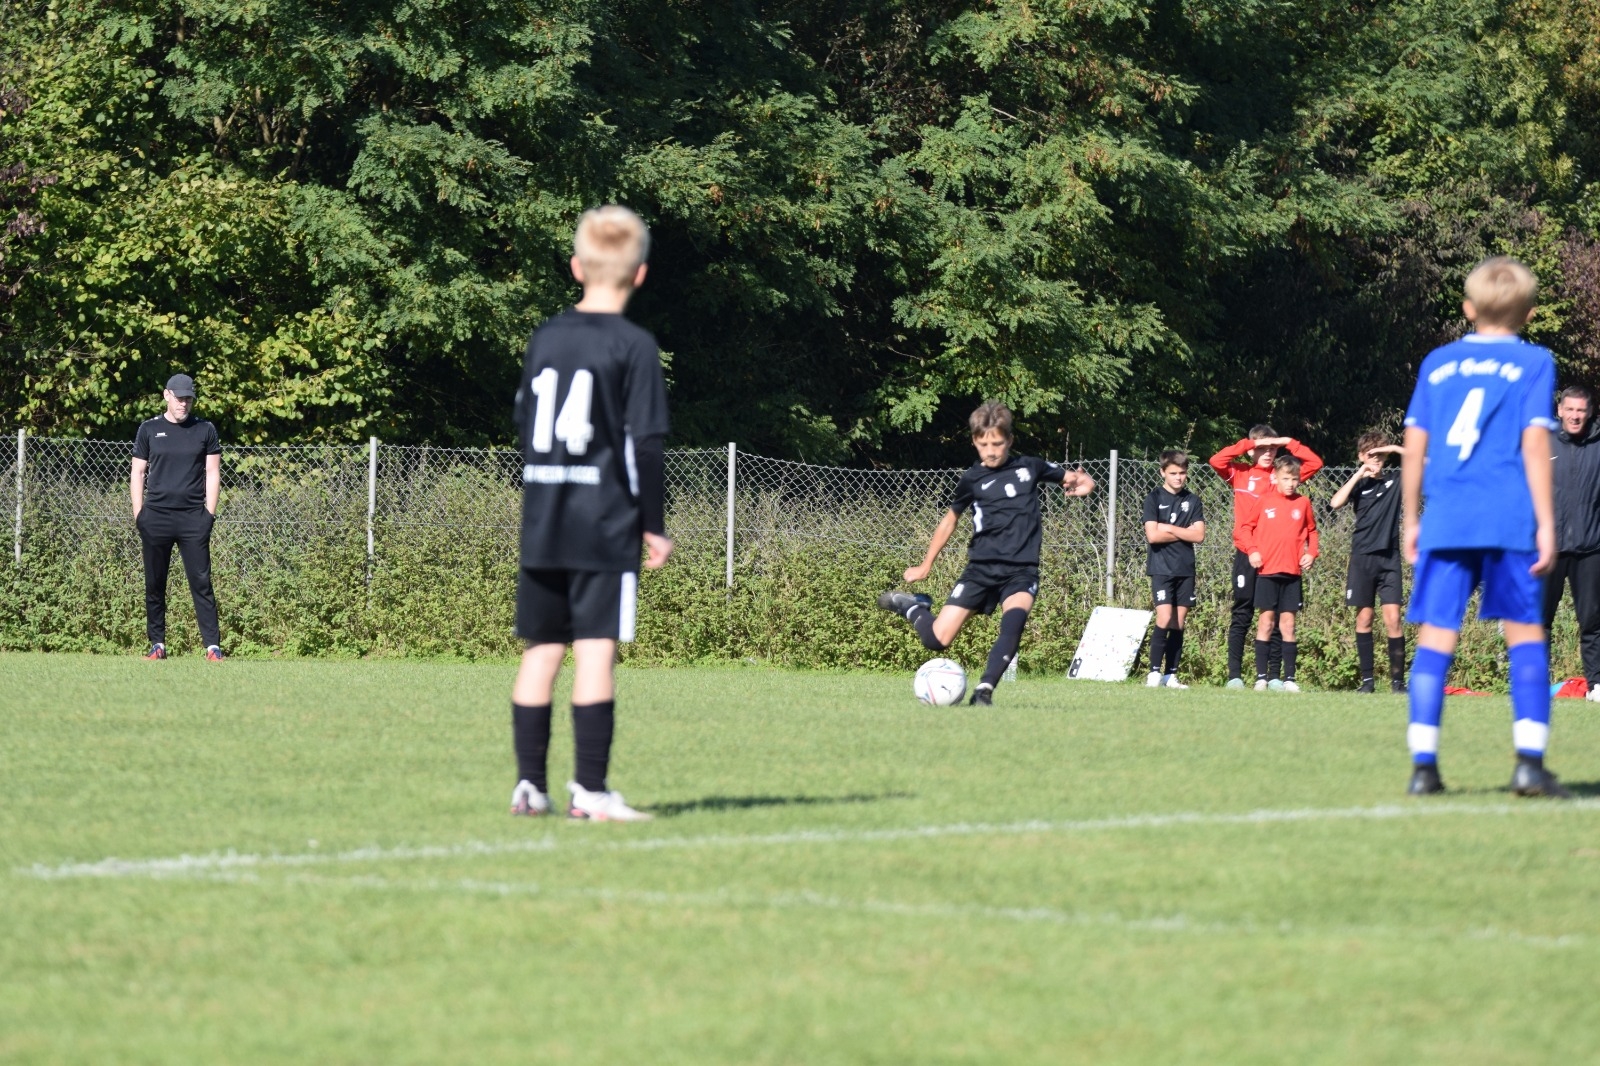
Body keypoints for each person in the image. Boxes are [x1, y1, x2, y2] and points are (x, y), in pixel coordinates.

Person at [507, 205, 672, 822]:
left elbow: (526, 423)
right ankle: (591, 792)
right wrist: (652, 524)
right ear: (641, 274)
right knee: (595, 652)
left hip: (544, 518)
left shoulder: (545, 337)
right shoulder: (634, 345)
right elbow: (645, 444)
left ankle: (529, 787)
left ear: (577, 267)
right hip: (603, 522)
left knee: (540, 652)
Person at [1401, 256, 1567, 797]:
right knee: (1524, 636)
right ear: (1530, 313)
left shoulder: (1438, 362)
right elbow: (1535, 442)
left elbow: (1416, 446)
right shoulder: (1535, 361)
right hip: (1508, 517)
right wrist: (1546, 522)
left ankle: (1424, 769)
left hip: (1447, 517)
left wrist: (1410, 517)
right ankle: (1528, 764)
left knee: (1435, 639)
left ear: (1468, 308)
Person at [877, 402, 1095, 706]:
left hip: (1021, 570)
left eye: (997, 443)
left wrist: (1084, 484)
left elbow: (1077, 479)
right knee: (936, 640)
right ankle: (912, 608)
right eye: (984, 444)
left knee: (1014, 622)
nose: (991, 450)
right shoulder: (972, 479)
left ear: (1009, 441)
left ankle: (984, 691)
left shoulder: (1030, 467)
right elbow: (950, 520)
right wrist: (926, 565)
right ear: (974, 442)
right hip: (980, 569)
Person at [1209, 425, 1323, 688]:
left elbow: (1315, 463)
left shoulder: (1282, 477)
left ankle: (1273, 676)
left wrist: (1287, 440)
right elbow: (1216, 460)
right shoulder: (1240, 472)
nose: (1269, 453)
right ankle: (1235, 675)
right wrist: (1250, 444)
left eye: (1273, 448)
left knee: (1274, 614)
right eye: (1263, 448)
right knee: (1243, 611)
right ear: (1251, 450)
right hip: (1248, 554)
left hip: (1276, 559)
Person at [130, 374, 224, 661]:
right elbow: (137, 473)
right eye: (179, 398)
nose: (184, 403)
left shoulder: (205, 429)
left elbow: (212, 473)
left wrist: (208, 514)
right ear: (166, 395)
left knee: (201, 582)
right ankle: (157, 644)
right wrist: (139, 515)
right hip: (155, 518)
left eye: (188, 398)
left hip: (193, 519)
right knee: (154, 583)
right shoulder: (149, 429)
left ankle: (212, 647)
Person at [1329, 431, 1408, 693]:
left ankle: (1398, 683)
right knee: (1364, 619)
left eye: (1380, 455)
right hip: (1362, 559)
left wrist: (1395, 448)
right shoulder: (1359, 485)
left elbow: (1423, 461)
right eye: (1370, 455)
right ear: (1361, 456)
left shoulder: (1395, 481)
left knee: (1393, 619)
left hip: (1389, 559)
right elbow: (1335, 503)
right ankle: (1367, 682)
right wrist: (1358, 474)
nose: (1376, 460)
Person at [1239, 454, 1318, 692]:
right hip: (1267, 572)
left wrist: (1311, 553)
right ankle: (1261, 677)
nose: (1291, 483)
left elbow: (1312, 531)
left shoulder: (1303, 502)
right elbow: (1245, 528)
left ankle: (1289, 679)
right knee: (1265, 622)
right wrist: (1252, 550)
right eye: (1286, 478)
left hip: (1292, 574)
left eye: (1294, 479)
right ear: (1275, 477)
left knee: (1288, 625)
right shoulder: (1264, 501)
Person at [1542, 384, 1600, 701]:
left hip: (1590, 548)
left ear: (1590, 413)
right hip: (1547, 549)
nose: (1575, 416)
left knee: (1592, 620)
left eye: (1581, 410)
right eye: (1570, 409)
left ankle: (1596, 685)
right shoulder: (1543, 441)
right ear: (1560, 411)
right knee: (1539, 621)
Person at [1141, 449, 1206, 688]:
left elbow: (1199, 535)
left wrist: (1169, 528)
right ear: (1163, 473)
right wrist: (1183, 532)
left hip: (1185, 568)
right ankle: (1154, 673)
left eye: (1182, 473)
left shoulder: (1193, 500)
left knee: (1179, 622)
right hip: (1161, 568)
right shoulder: (1154, 498)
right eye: (1173, 473)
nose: (1179, 477)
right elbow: (1153, 536)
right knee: (1165, 616)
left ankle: (1171, 675)